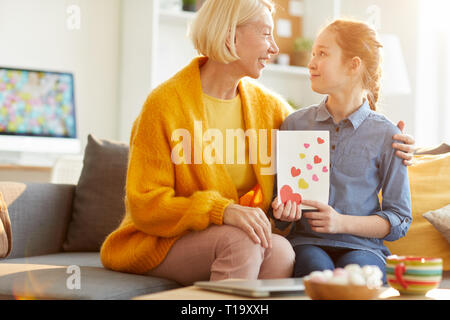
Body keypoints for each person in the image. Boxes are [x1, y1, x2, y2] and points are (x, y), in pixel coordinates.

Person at [100, 0, 414, 285]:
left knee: (279, 250)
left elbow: (329, 137)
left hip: (240, 238)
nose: (275, 47)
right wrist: (221, 211)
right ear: (230, 35)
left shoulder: (272, 111)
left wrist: (400, 144)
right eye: (265, 34)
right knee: (243, 241)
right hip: (166, 240)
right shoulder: (165, 105)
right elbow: (145, 206)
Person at [270, 19, 412, 282]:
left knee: (356, 277)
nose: (311, 62)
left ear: (353, 65)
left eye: (322, 53)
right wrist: (281, 213)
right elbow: (280, 209)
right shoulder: (294, 124)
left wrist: (341, 223)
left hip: (364, 247)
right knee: (316, 272)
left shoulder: (387, 134)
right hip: (306, 243)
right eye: (313, 53)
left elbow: (399, 219)